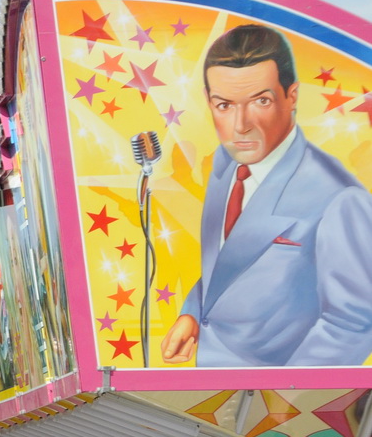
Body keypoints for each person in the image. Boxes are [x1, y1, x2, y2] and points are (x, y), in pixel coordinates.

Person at [157, 23, 372, 368]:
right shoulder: (226, 166)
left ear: (292, 97)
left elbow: (354, 324)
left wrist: (280, 402)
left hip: (266, 412)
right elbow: (229, 262)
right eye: (224, 105)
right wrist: (193, 314)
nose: (240, 125)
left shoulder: (339, 198)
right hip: (210, 396)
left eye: (261, 101)